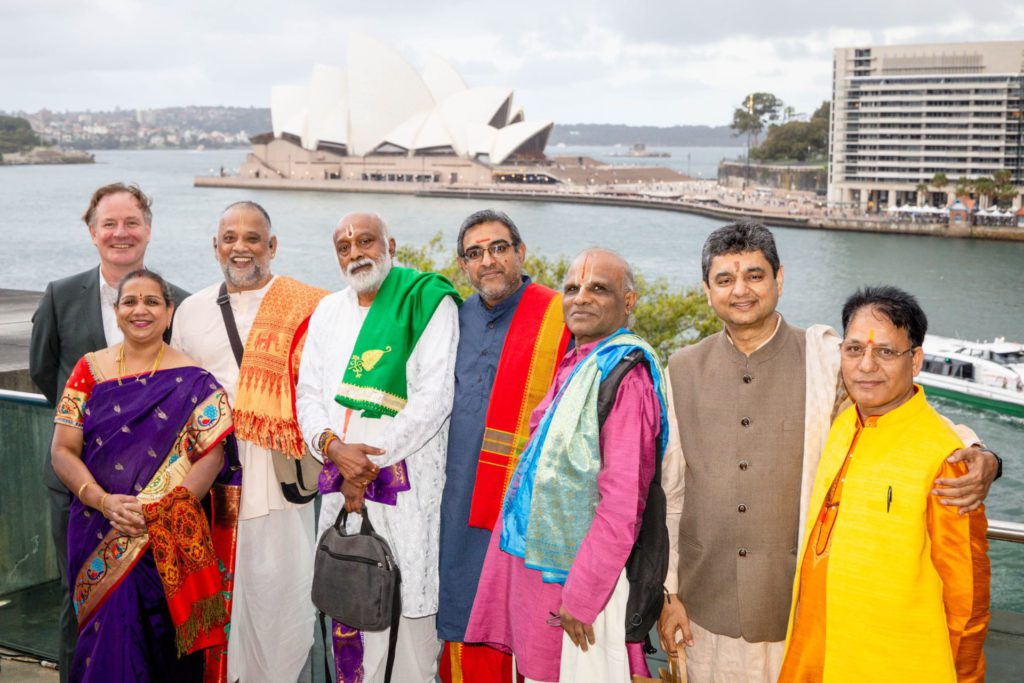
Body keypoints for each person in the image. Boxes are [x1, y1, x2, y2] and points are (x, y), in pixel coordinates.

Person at [657, 223, 1001, 682]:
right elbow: (672, 490)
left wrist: (980, 452)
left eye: (755, 276)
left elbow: (897, 404)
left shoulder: (822, 358)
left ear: (780, 279)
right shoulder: (681, 368)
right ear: (706, 290)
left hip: (801, 613)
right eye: (725, 279)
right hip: (703, 611)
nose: (741, 290)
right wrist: (669, 593)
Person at [465, 248, 668, 683]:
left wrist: (582, 597)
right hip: (543, 577)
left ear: (628, 302)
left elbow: (621, 504)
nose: (581, 298)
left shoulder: (625, 379)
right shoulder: (580, 363)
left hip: (581, 593)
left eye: (598, 288)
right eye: (572, 288)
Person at [779, 286, 989, 681]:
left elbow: (967, 602)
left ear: (916, 361)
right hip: (816, 657)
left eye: (886, 352)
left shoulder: (947, 460)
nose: (866, 365)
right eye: (854, 350)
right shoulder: (843, 425)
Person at [29, 183, 189, 682]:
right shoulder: (60, 295)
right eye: (110, 224)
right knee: (78, 596)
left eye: (132, 223)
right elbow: (44, 372)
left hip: (157, 498)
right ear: (93, 232)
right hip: (78, 491)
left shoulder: (181, 303)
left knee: (156, 604)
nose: (121, 233)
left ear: (148, 229)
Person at [296, 212, 461, 683]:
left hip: (406, 490)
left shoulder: (427, 303)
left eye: (365, 241)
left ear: (390, 244)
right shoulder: (328, 311)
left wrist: (364, 461)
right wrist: (331, 447)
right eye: (344, 247)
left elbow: (434, 400)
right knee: (348, 602)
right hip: (339, 487)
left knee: (408, 622)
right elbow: (307, 394)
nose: (355, 253)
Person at [50, 269, 236, 682]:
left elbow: (211, 455)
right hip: (99, 527)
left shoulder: (196, 379)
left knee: (160, 648)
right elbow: (62, 450)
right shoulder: (89, 371)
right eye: (130, 301)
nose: (141, 310)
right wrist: (101, 500)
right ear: (116, 312)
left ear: (169, 313)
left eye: (152, 301)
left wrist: (162, 509)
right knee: (105, 646)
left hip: (165, 537)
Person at [170, 201, 328, 683]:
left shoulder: (312, 306)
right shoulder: (192, 311)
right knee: (220, 601)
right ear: (216, 247)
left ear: (272, 246)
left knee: (282, 597)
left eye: (253, 238)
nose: (241, 248)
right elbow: (179, 401)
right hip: (214, 482)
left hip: (281, 478)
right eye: (230, 238)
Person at [437, 210, 570, 683]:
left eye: (498, 248)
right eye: (475, 253)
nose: (488, 261)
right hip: (455, 499)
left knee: (519, 624)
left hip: (525, 508)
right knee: (458, 607)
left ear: (520, 252)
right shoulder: (450, 318)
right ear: (463, 266)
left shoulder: (559, 316)